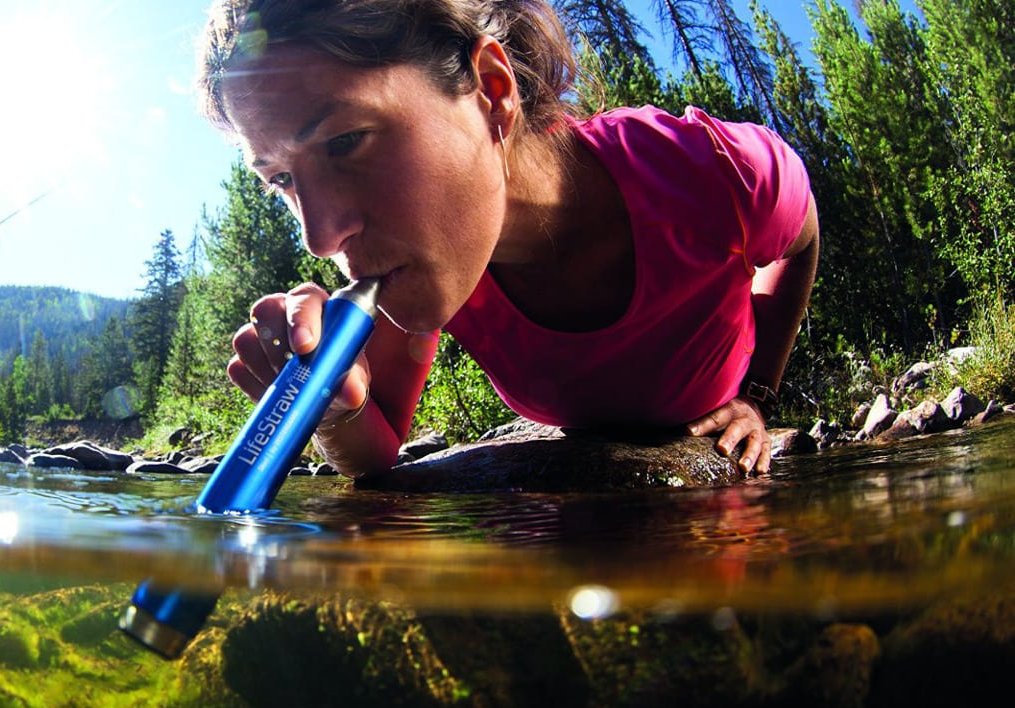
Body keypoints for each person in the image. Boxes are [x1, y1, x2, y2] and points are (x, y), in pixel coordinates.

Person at [198, 0, 819, 479]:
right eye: (281, 179)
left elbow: (803, 235)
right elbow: (377, 446)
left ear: (493, 89)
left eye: (344, 141)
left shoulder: (712, 174)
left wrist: (758, 396)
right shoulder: (433, 261)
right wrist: (337, 408)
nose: (320, 235)